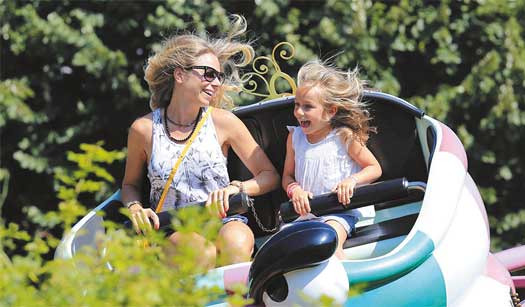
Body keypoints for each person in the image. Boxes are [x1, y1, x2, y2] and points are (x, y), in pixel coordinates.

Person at [121, 15, 279, 269]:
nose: (216, 83)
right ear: (180, 75)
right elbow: (130, 185)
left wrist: (237, 188)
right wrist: (135, 207)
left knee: (237, 242)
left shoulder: (224, 122)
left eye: (218, 76)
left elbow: (269, 175)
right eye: (208, 74)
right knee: (199, 253)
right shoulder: (144, 129)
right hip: (172, 227)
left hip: (224, 220)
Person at [282, 60, 382, 259]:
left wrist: (351, 181)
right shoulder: (294, 137)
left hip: (340, 212)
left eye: (307, 107)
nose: (299, 112)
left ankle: (350, 287)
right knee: (285, 247)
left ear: (331, 111)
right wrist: (295, 190)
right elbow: (287, 176)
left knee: (328, 242)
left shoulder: (343, 137)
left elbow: (374, 168)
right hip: (306, 215)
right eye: (297, 105)